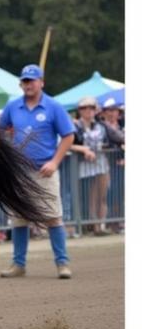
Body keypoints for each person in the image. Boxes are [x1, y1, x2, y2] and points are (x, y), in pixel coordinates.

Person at [0, 64, 75, 278]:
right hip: (19, 172)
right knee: (18, 218)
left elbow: (68, 136)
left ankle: (62, 263)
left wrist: (55, 162)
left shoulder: (53, 106)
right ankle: (18, 264)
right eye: (25, 81)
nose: (28, 84)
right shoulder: (13, 106)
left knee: (53, 217)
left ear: (42, 82)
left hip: (44, 171)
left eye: (32, 80)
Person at [71, 96, 123, 236]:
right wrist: (83, 149)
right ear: (79, 110)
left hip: (101, 163)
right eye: (84, 107)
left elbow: (117, 138)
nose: (88, 110)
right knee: (91, 197)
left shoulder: (102, 125)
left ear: (96, 110)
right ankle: (93, 226)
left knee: (103, 196)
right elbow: (67, 143)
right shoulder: (75, 126)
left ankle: (100, 225)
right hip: (84, 165)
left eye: (91, 107)